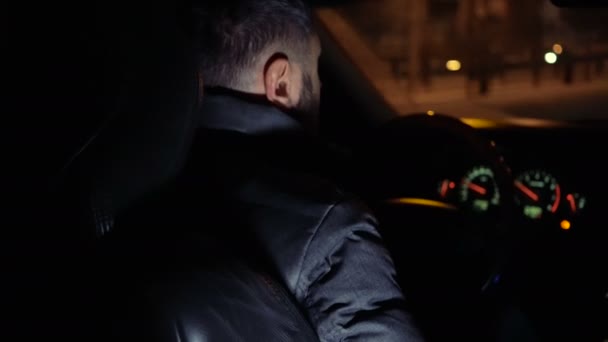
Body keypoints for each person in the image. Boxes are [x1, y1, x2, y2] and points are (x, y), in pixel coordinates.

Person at [186, 1, 423, 341]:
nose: (322, 87)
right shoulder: (330, 231)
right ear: (280, 83)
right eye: (315, 69)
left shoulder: (129, 184)